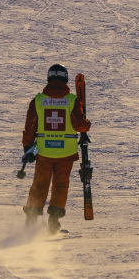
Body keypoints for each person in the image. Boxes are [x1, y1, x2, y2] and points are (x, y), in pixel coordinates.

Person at [22, 63, 90, 234]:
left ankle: (31, 219)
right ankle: (54, 221)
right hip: (65, 153)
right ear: (66, 79)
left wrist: (27, 147)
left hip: (44, 152)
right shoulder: (72, 101)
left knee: (39, 184)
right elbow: (80, 125)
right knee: (60, 186)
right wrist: (87, 125)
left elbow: (30, 126)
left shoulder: (38, 100)